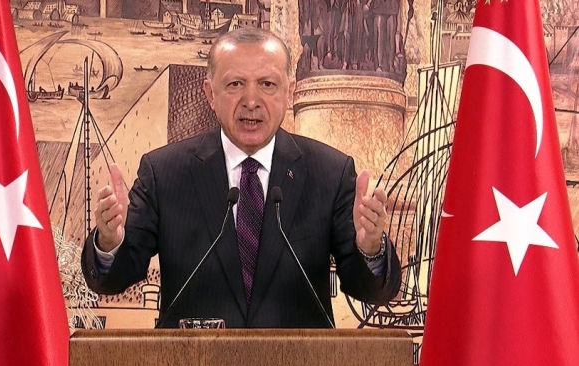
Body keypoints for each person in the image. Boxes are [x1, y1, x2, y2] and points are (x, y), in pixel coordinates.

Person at [81, 27, 401, 328]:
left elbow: (371, 291)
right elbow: (113, 279)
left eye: (267, 84)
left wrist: (371, 249)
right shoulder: (165, 173)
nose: (251, 100)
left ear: (289, 93)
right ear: (210, 94)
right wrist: (109, 243)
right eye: (235, 84)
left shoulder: (329, 173)